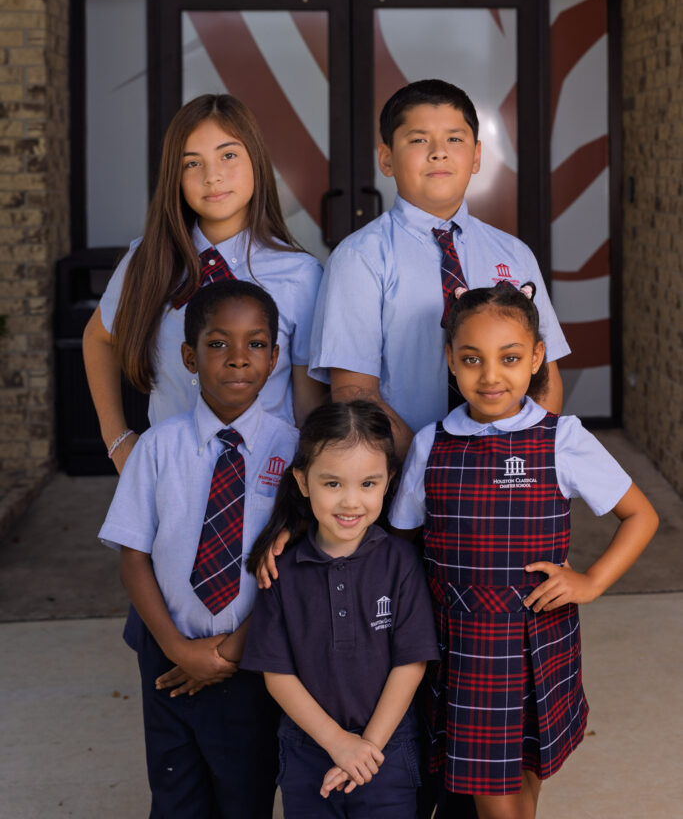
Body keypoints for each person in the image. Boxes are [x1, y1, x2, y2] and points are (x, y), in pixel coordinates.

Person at [388, 281, 659, 819]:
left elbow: (641, 516)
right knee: (494, 799)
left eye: (509, 358)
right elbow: (399, 542)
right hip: (464, 650)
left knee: (527, 782)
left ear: (536, 358)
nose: (491, 376)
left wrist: (591, 581)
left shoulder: (562, 439)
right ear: (450, 360)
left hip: (540, 640)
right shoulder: (430, 444)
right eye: (472, 359)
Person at [98, 280, 300, 819]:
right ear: (189, 356)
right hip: (168, 656)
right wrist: (178, 649)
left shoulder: (294, 452)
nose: (238, 358)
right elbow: (133, 556)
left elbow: (297, 567)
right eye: (218, 343)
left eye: (256, 344)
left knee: (245, 797)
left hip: (253, 660)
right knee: (175, 798)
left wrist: (231, 650)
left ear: (275, 356)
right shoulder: (156, 448)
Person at [308, 79, 569, 460]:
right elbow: (355, 392)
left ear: (476, 156)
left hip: (509, 469)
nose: (438, 153)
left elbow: (545, 377)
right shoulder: (359, 258)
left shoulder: (515, 254)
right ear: (386, 158)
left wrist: (521, 460)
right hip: (405, 472)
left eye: (454, 139)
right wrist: (434, 468)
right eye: (418, 140)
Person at [84, 92, 326, 476]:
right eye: (192, 163)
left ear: (256, 161)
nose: (212, 176)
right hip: (168, 477)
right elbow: (97, 337)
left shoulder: (300, 274)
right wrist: (118, 441)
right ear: (175, 178)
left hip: (265, 482)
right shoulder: (149, 260)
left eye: (228, 155)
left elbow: (307, 406)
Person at [241, 401, 440, 818]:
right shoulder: (280, 570)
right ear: (303, 481)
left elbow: (411, 664)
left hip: (387, 752)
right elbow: (277, 674)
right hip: (307, 752)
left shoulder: (401, 563)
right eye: (333, 484)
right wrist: (337, 742)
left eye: (368, 483)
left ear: (389, 481)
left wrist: (365, 748)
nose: (351, 502)